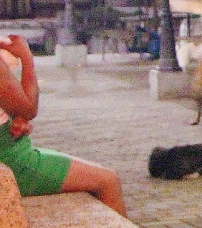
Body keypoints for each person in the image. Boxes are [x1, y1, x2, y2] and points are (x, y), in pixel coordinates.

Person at [0, 35, 126, 216]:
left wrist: (16, 118)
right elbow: (29, 108)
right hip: (12, 161)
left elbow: (14, 104)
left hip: (10, 147)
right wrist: (26, 56)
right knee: (108, 181)